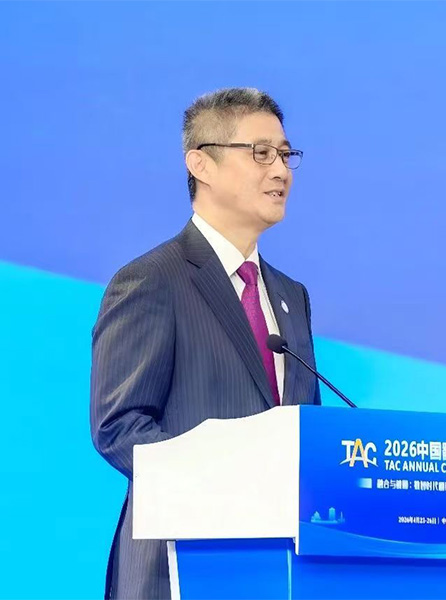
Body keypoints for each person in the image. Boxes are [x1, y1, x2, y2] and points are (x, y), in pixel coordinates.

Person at [89, 87, 322, 600]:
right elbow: (119, 427)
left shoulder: (291, 297)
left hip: (281, 571)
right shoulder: (152, 280)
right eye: (261, 153)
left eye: (286, 155)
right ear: (201, 164)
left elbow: (309, 431)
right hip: (181, 565)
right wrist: (229, 482)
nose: (281, 171)